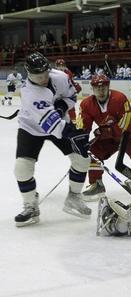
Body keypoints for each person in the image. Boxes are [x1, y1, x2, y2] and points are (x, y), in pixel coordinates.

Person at [14, 52, 92, 227]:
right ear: (29, 74)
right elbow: (51, 125)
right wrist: (73, 133)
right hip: (31, 127)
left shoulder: (61, 77)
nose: (42, 78)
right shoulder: (29, 92)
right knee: (22, 168)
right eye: (37, 76)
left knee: (82, 160)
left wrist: (61, 107)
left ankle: (74, 197)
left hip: (58, 122)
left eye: (45, 74)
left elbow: (71, 96)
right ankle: (30, 206)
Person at [77, 74, 131, 201]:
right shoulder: (86, 104)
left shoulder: (119, 98)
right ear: (92, 89)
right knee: (92, 152)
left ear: (108, 86)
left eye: (104, 87)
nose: (101, 91)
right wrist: (81, 141)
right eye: (97, 88)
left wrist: (105, 131)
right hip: (110, 136)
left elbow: (126, 125)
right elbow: (83, 128)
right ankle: (96, 185)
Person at [55, 58, 81, 123]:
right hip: (57, 95)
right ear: (56, 66)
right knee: (59, 110)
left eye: (62, 66)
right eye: (59, 66)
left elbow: (71, 82)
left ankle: (74, 123)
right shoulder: (53, 74)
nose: (61, 67)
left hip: (67, 94)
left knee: (71, 108)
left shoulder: (68, 72)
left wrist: (75, 86)